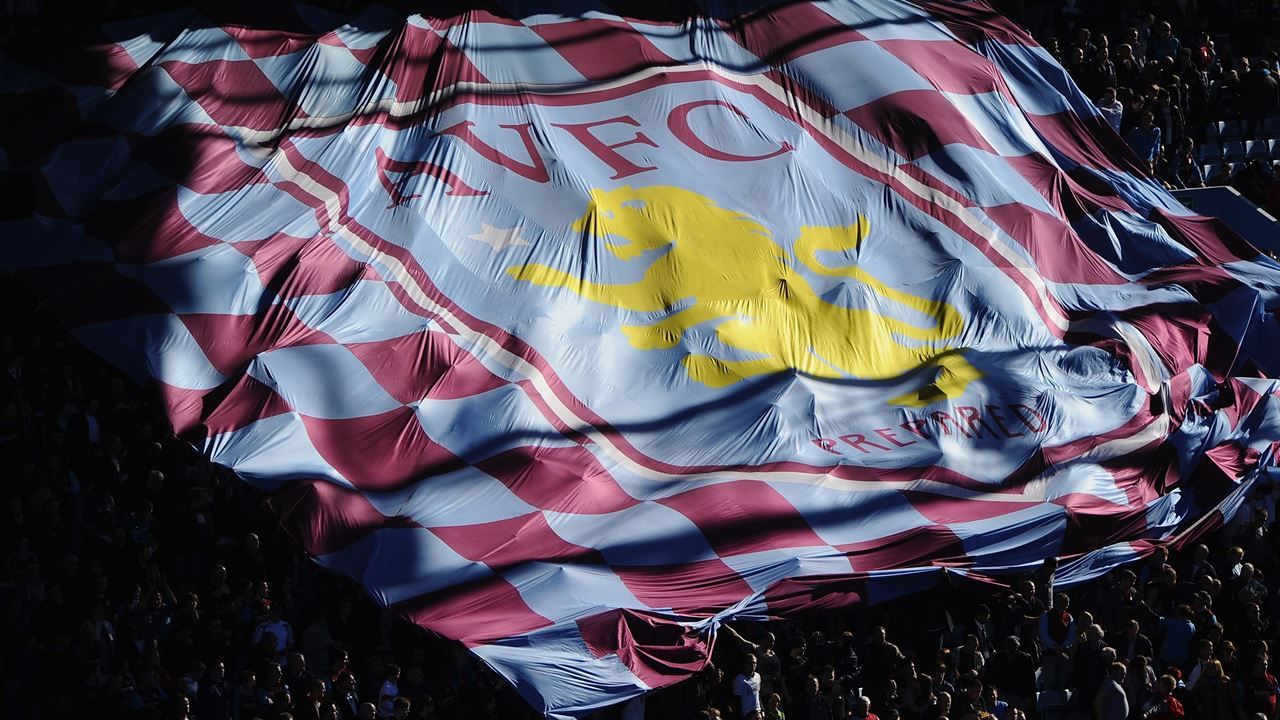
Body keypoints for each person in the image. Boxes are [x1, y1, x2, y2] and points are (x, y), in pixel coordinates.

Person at [735, 654, 763, 718]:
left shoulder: (758, 676)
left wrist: (762, 710)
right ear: (745, 664)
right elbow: (737, 700)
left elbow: (757, 694)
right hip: (746, 714)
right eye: (750, 663)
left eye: (754, 663)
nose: (752, 665)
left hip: (758, 713)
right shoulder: (739, 679)